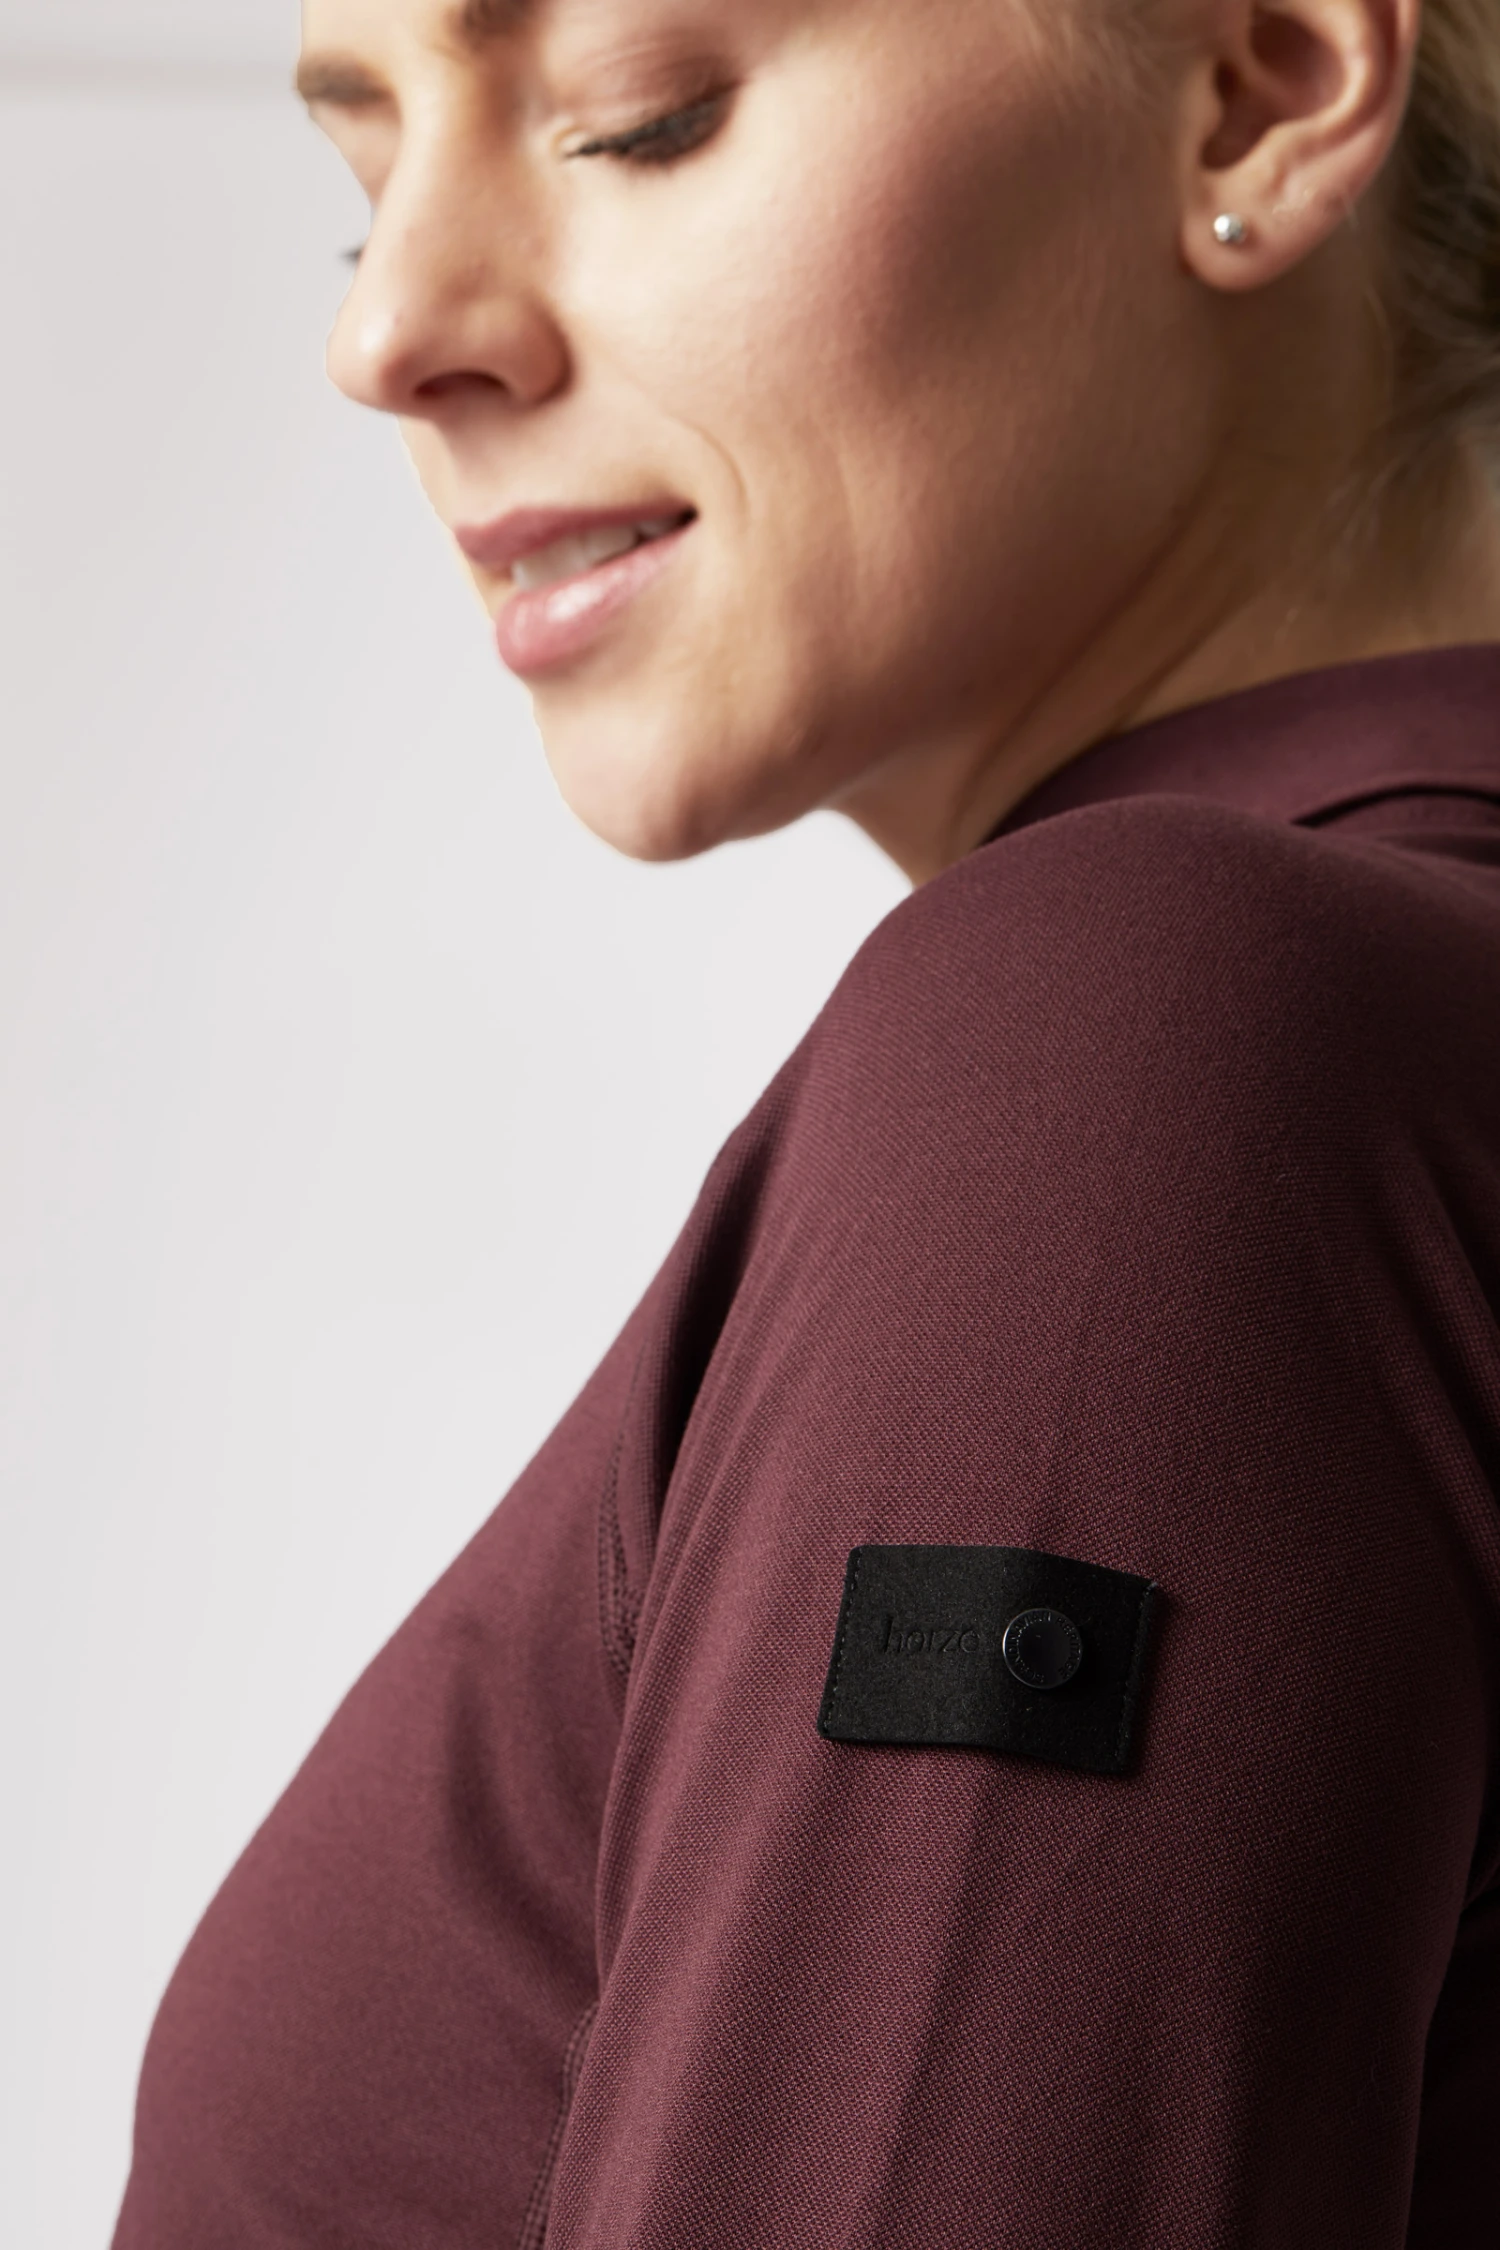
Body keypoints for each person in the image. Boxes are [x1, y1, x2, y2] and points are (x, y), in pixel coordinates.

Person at [113, 0, 1500, 2242]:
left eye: (635, 118)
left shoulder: (1129, 1056)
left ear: (1263, 83)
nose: (392, 335)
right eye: (364, 192)